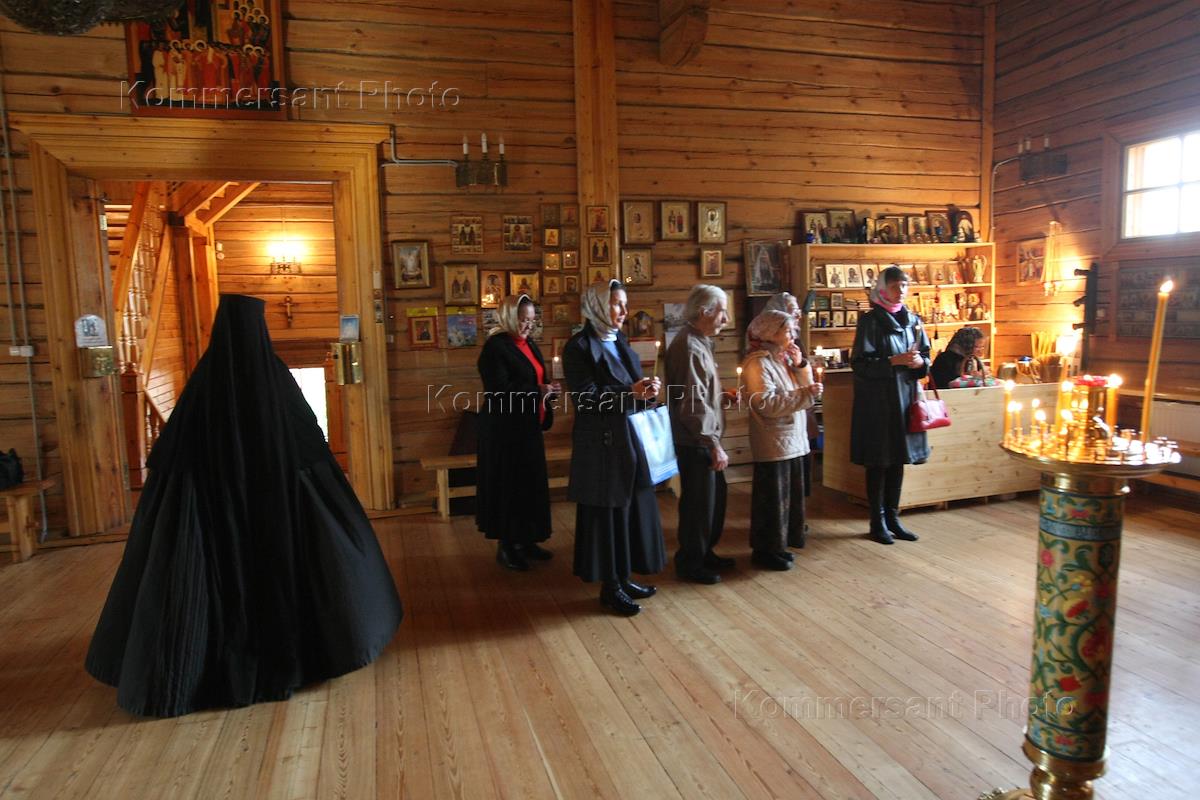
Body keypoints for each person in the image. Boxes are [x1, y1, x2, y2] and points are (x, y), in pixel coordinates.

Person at [85, 295, 402, 718]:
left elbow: (172, 454)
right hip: (282, 510)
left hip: (211, 518)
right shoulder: (275, 379)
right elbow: (309, 445)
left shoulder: (204, 385)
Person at [562, 280, 666, 616]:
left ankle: (624, 576)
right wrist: (630, 393)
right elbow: (586, 399)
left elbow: (630, 389)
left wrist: (647, 390)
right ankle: (610, 588)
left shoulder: (619, 340)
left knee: (629, 512)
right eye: (616, 303)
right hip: (602, 446)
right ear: (596, 305)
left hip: (629, 440)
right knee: (608, 517)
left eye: (624, 303)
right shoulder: (578, 347)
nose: (624, 311)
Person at [476, 294, 559, 570]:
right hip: (504, 432)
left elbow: (536, 378)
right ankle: (507, 547)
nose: (528, 326)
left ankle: (528, 539)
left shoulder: (529, 344)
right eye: (523, 320)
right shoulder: (495, 348)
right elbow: (499, 392)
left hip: (527, 428)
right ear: (508, 318)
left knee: (529, 486)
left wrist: (549, 390)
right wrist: (537, 391)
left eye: (532, 320)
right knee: (510, 488)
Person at [850, 265, 931, 545]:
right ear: (883, 289)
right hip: (879, 404)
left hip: (906, 400)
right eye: (896, 286)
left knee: (898, 460)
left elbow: (926, 355)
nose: (902, 291)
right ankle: (877, 521)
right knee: (879, 461)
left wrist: (921, 362)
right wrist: (891, 362)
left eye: (905, 286)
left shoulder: (913, 320)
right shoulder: (870, 321)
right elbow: (859, 365)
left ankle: (894, 519)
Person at [740, 310, 822, 569]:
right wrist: (805, 394)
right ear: (770, 334)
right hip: (773, 439)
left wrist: (800, 366)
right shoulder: (758, 363)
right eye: (787, 331)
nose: (793, 335)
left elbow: (804, 388)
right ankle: (766, 550)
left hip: (792, 438)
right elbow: (766, 403)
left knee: (790, 497)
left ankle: (781, 545)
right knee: (772, 500)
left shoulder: (783, 359)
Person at [665, 284, 733, 583]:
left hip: (702, 437)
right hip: (695, 439)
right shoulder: (689, 346)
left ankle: (705, 553)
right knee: (698, 504)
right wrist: (712, 443)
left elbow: (702, 392)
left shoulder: (700, 341)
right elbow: (691, 403)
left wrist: (722, 397)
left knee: (713, 500)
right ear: (704, 312)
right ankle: (691, 562)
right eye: (722, 312)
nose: (726, 319)